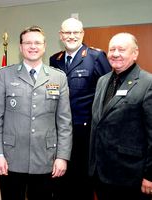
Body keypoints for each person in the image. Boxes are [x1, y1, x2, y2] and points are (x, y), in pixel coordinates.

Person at [0, 25, 72, 200]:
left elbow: (64, 122)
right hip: (10, 159)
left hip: (46, 159)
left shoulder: (58, 77)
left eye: (37, 43)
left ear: (44, 46)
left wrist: (62, 157)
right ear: (20, 47)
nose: (33, 46)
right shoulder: (5, 75)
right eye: (28, 43)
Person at [49, 17, 111, 200]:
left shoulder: (96, 57)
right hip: (59, 130)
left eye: (76, 32)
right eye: (67, 32)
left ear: (82, 34)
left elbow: (107, 91)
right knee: (60, 181)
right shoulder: (55, 59)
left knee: (82, 183)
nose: (72, 36)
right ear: (61, 35)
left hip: (84, 131)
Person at [89, 32, 152, 200]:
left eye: (121, 49)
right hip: (101, 173)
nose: (115, 54)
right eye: (112, 49)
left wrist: (150, 175)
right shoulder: (102, 80)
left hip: (130, 176)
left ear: (135, 53)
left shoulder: (147, 83)